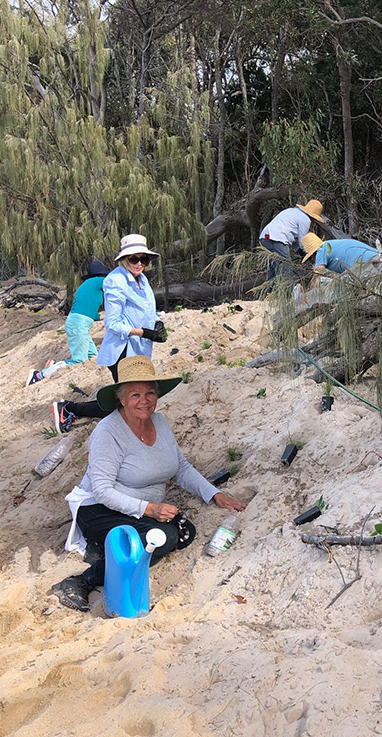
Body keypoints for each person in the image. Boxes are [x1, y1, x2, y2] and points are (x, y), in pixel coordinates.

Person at [50, 355, 247, 612]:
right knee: (164, 537)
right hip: (98, 509)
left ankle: (112, 548)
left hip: (140, 509)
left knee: (185, 533)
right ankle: (81, 581)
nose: (144, 400)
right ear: (121, 399)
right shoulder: (108, 432)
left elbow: (180, 468)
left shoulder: (161, 422)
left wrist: (215, 494)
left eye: (150, 393)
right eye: (135, 395)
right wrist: (149, 509)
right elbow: (102, 490)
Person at [51, 234, 166, 433]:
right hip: (122, 350)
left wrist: (157, 323)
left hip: (139, 348)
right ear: (124, 259)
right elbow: (113, 323)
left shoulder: (142, 280)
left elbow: (146, 310)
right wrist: (143, 332)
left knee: (131, 400)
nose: (139, 263)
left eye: (144, 259)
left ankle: (70, 408)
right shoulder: (115, 280)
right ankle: (70, 408)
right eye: (134, 259)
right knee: (128, 402)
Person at [27, 262, 110, 386]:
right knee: (79, 360)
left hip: (79, 323)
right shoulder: (98, 281)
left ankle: (52, 367)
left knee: (93, 356)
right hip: (78, 325)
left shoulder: (88, 286)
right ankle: (39, 375)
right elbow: (114, 284)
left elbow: (91, 315)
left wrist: (109, 316)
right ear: (101, 275)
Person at [258, 199, 328, 282]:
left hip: (265, 238)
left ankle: (269, 293)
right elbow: (303, 241)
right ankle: (287, 293)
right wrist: (307, 253)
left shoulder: (292, 212)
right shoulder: (305, 219)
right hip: (278, 239)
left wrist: (299, 250)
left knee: (273, 271)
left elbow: (294, 238)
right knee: (287, 270)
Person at [301, 233, 382, 288]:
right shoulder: (331, 245)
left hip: (365, 264)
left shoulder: (321, 250)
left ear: (313, 254)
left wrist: (309, 292)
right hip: (376, 256)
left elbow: (317, 274)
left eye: (311, 258)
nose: (313, 261)